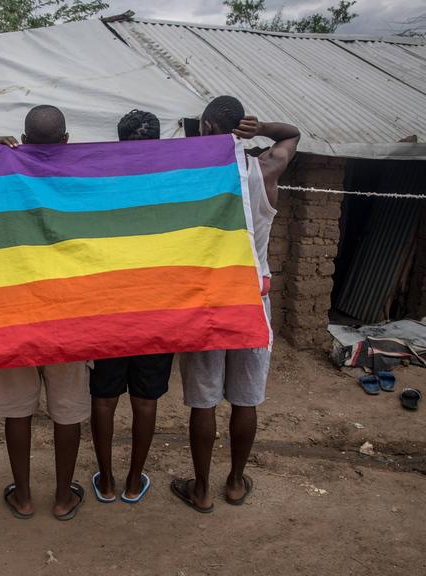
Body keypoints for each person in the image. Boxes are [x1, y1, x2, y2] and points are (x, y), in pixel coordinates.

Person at [171, 95, 300, 512]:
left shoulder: (193, 180)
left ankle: (202, 489)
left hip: (207, 303)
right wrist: (261, 129)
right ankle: (235, 482)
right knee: (245, 399)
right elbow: (292, 134)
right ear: (243, 129)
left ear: (207, 130)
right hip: (251, 300)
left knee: (204, 400)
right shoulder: (265, 171)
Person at [0, 105, 90, 521]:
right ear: (66, 141)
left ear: (23, 139)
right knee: (67, 408)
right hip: (70, 314)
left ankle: (24, 496)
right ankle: (64, 497)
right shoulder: (83, 178)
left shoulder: (5, 174)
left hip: (15, 313)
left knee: (17, 408)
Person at [89, 110, 174, 505]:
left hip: (108, 310)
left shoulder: (101, 182)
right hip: (157, 309)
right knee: (145, 400)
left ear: (119, 140)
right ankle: (133, 480)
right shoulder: (172, 184)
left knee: (104, 399)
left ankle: (105, 481)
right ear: (157, 142)